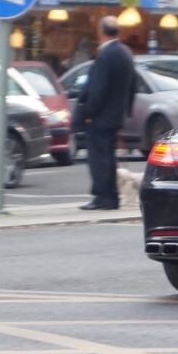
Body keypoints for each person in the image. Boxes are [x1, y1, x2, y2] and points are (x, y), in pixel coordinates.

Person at [76, 16, 137, 210]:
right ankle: (111, 196)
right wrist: (126, 110)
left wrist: (88, 112)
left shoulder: (105, 55)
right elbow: (133, 86)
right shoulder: (126, 53)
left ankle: (103, 197)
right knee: (109, 157)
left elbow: (97, 89)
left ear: (100, 31)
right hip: (116, 115)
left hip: (100, 117)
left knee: (99, 158)